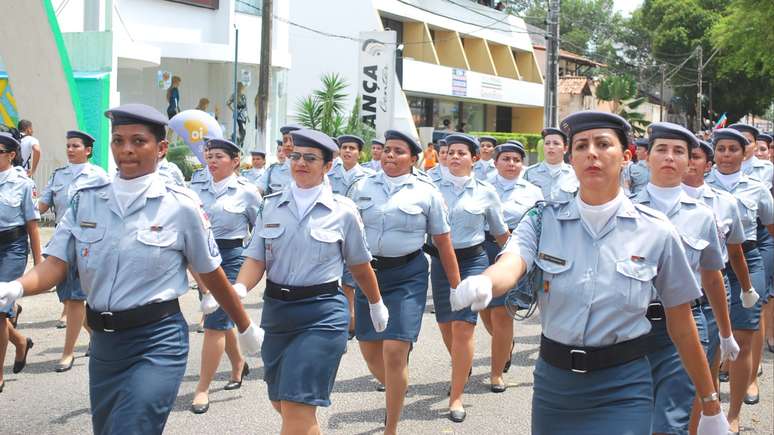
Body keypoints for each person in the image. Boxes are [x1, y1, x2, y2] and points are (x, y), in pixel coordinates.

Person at [451, 111, 729, 434]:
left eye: (603, 144)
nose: (592, 153)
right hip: (554, 385)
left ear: (626, 157)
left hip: (623, 385)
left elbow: (682, 325)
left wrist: (710, 403)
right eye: (581, 145)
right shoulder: (543, 220)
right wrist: (486, 282)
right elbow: (512, 262)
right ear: (571, 158)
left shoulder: (655, 231)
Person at [0, 103, 262, 433]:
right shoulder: (87, 199)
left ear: (161, 148)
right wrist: (17, 287)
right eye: (119, 140)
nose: (126, 149)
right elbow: (57, 263)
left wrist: (244, 324)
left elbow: (211, 272)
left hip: (157, 341)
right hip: (106, 345)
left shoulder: (181, 206)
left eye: (139, 141)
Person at [233, 128, 388, 435]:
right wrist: (238, 289)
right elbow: (256, 258)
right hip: (277, 312)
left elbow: (359, 264)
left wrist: (375, 303)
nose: (300, 163)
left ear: (328, 165)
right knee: (282, 402)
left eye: (310, 158)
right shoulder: (272, 205)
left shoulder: (343, 211)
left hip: (322, 313)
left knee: (297, 405)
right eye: (295, 156)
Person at [347, 129, 460, 434]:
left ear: (413, 158)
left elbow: (443, 242)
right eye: (386, 150)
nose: (390, 156)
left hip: (407, 275)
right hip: (368, 275)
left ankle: (391, 427)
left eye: (398, 151)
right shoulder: (360, 187)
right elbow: (345, 237)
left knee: (394, 352)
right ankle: (398, 386)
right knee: (370, 352)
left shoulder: (427, 192)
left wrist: (456, 286)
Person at [628, 122, 737, 435]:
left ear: (691, 161)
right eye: (661, 149)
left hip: (687, 325)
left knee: (670, 422)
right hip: (631, 324)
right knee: (633, 416)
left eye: (679, 151)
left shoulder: (703, 215)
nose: (669, 157)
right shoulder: (626, 209)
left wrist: (726, 331)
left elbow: (713, 275)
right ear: (646, 157)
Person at [430, 133, 509, 422]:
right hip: (440, 263)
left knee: (464, 328)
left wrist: (516, 262)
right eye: (449, 152)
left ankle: (456, 397)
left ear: (474, 158)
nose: (453, 157)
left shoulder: (486, 191)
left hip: (473, 260)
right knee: (446, 327)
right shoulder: (430, 186)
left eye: (461, 152)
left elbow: (500, 232)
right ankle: (462, 367)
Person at [704, 127, 774, 434]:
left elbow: (770, 227)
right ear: (714, 153)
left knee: (744, 336)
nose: (727, 155)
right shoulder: (700, 186)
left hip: (749, 260)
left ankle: (734, 415)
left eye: (733, 149)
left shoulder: (757, 187)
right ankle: (712, 409)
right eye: (721, 149)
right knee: (712, 338)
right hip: (711, 264)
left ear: (744, 152)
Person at [682, 137, 754, 433]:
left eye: (695, 157)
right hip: (661, 304)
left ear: (707, 165)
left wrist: (747, 289)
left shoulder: (724, 204)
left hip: (706, 299)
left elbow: (734, 252)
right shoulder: (643, 204)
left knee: (704, 378)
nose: (688, 162)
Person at [189, 138, 262, 414]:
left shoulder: (248, 192)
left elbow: (260, 232)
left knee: (215, 323)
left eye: (219, 156)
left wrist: (250, 267)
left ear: (234, 161)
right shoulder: (194, 188)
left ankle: (203, 388)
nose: (212, 161)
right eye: (209, 156)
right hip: (202, 260)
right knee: (225, 317)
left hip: (231, 259)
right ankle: (238, 365)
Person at [38, 130, 109, 372]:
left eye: (75, 146)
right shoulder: (59, 175)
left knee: (75, 298)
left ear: (88, 150)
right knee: (68, 296)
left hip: (87, 241)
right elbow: (42, 204)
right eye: (68, 145)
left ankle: (68, 353)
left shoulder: (98, 176)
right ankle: (99, 337)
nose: (70, 149)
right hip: (61, 240)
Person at [479, 141, 543, 393]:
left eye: (516, 159)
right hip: (483, 249)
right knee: (484, 309)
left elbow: (539, 225)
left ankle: (496, 374)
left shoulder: (533, 191)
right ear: (495, 162)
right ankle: (505, 344)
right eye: (505, 158)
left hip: (515, 250)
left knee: (501, 313)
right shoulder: (482, 187)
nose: (511, 164)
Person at [0, 132, 40, 392]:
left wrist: (40, 263)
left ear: (11, 154)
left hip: (12, 248)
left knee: (0, 311)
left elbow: (32, 225)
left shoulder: (22, 183)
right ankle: (20, 341)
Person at [327, 135, 375, 338]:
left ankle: (351, 322)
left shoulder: (369, 176)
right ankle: (345, 320)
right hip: (332, 232)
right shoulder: (328, 173)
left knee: (351, 281)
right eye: (344, 147)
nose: (347, 151)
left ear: (359, 153)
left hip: (357, 234)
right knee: (336, 280)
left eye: (352, 148)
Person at [524, 128, 579, 201]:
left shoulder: (575, 174)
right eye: (547, 143)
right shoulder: (530, 173)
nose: (551, 147)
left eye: (556, 143)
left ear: (565, 149)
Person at [258, 124, 300, 195]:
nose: (288, 144)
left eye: (292, 140)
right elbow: (258, 189)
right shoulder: (272, 171)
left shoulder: (311, 169)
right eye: (285, 140)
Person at [227, 82, 249, 147]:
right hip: (239, 114)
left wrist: (247, 116)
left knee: (243, 130)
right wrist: (233, 110)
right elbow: (228, 103)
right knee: (242, 130)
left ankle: (240, 143)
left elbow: (245, 106)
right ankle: (238, 142)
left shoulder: (243, 95)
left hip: (244, 115)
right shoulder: (234, 95)